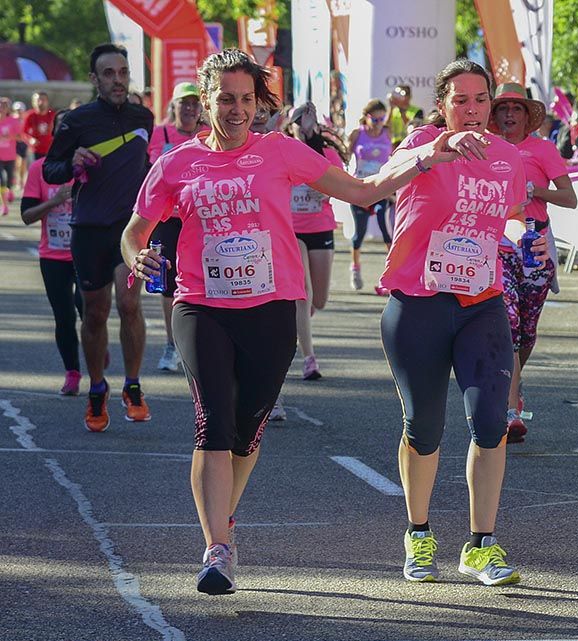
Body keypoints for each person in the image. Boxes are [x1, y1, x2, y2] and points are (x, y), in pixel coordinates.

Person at [121, 48, 468, 596]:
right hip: (201, 305)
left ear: (258, 102)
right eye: (225, 99)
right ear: (206, 100)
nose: (236, 110)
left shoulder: (281, 151)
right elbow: (136, 229)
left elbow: (362, 189)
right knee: (213, 421)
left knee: (244, 433)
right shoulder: (177, 164)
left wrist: (424, 160)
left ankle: (222, 520)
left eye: (246, 99)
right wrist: (135, 254)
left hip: (272, 307)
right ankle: (217, 548)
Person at [379, 59, 549, 587]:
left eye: (481, 100)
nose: (472, 110)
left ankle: (481, 545)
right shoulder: (421, 146)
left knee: (491, 422)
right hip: (419, 305)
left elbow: (514, 211)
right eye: (461, 100)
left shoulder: (507, 157)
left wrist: (525, 233)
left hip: (482, 303)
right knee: (424, 429)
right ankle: (419, 532)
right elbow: (380, 185)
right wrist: (430, 156)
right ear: (442, 106)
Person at [43, 44, 155, 433]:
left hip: (129, 228)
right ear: (94, 79)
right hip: (88, 228)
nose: (118, 80)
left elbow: (144, 165)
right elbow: (51, 170)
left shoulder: (145, 116)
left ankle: (133, 386)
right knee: (94, 313)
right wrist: (71, 163)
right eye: (109, 73)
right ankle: (97, 388)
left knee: (128, 303)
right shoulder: (76, 122)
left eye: (123, 72)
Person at [487, 82, 577, 443]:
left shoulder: (542, 149)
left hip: (535, 242)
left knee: (526, 328)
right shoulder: (486, 148)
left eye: (517, 109)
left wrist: (535, 191)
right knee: (507, 322)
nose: (510, 115)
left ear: (528, 116)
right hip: (497, 243)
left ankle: (514, 380)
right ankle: (509, 410)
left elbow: (569, 198)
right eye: (504, 108)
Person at [284, 101, 347, 380]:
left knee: (318, 300)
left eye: (308, 120)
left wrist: (327, 192)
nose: (303, 125)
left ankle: (298, 325)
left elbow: (342, 183)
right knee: (303, 292)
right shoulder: (282, 149)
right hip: (291, 228)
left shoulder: (326, 152)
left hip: (320, 226)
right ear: (290, 124)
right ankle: (309, 358)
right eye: (298, 120)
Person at [22, 110, 81, 395]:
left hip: (85, 254)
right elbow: (26, 216)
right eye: (62, 129)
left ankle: (96, 344)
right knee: (64, 317)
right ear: (56, 135)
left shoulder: (90, 168)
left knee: (91, 311)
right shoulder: (40, 169)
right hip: (53, 256)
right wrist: (54, 201)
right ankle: (72, 372)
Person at [146, 82, 203, 372]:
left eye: (194, 103)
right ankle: (172, 344)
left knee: (203, 281)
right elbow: (152, 173)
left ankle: (199, 343)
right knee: (168, 286)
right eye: (184, 103)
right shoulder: (160, 134)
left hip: (201, 220)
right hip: (167, 220)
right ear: (174, 106)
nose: (190, 108)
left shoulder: (208, 136)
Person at [345, 99, 393, 293]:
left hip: (380, 189)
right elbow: (343, 156)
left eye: (382, 119)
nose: (379, 123)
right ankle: (355, 268)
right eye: (375, 119)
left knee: (385, 228)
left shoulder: (387, 133)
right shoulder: (358, 134)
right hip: (361, 188)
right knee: (360, 234)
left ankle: (391, 273)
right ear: (366, 117)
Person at [24, 91, 56, 162]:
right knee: (35, 172)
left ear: (47, 102)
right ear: (33, 102)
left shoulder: (53, 115)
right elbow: (23, 132)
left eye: (43, 100)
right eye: (38, 100)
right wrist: (30, 139)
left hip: (50, 151)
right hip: (35, 151)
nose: (40, 102)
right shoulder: (29, 115)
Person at [0, 97, 19, 215]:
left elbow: (19, 137)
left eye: (3, 106)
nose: (1, 108)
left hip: (10, 155)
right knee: (1, 179)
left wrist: (8, 137)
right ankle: (4, 205)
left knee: (9, 179)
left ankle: (10, 190)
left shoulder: (13, 121)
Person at [387, 84, 421, 148]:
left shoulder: (417, 111)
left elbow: (412, 128)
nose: (399, 97)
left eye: (402, 94)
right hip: (394, 146)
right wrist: (391, 107)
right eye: (397, 94)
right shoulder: (393, 110)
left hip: (409, 145)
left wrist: (401, 110)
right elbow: (385, 126)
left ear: (409, 97)